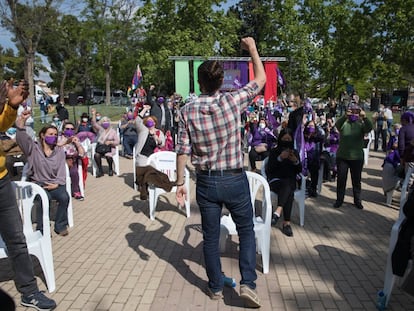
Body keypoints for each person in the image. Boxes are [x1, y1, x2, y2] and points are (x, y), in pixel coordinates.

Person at [175, 37, 266, 308]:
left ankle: (215, 287)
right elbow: (260, 79)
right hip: (234, 178)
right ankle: (248, 283)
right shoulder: (232, 101)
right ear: (221, 81)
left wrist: (180, 182)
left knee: (210, 237)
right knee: (246, 230)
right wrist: (251, 49)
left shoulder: (186, 110)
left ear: (200, 83)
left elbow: (182, 149)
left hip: (206, 181)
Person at [0, 79, 56, 310]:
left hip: (2, 181)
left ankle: (29, 292)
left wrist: (11, 107)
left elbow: (2, 125)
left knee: (17, 238)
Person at [16, 118, 70, 237]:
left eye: (55, 135)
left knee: (64, 197)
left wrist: (57, 183)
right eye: (50, 134)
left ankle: (60, 225)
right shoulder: (33, 149)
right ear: (42, 135)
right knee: (43, 199)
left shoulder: (59, 150)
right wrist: (21, 125)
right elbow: (22, 140)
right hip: (38, 183)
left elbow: (62, 169)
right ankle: (42, 228)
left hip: (55, 183)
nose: (54, 137)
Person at [333, 103, 373, 209]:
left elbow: (369, 128)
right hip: (342, 156)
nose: (354, 114)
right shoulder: (344, 123)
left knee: (356, 180)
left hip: (357, 157)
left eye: (356, 111)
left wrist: (365, 117)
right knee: (341, 180)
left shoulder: (360, 124)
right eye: (352, 111)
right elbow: (337, 125)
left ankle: (357, 200)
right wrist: (345, 116)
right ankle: (339, 200)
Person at [266, 128, 302, 237]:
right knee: (288, 188)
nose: (286, 141)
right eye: (284, 139)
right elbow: (270, 169)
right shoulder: (274, 151)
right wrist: (280, 158)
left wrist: (295, 161)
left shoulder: (294, 152)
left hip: (290, 181)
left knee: (288, 186)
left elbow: (299, 170)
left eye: (289, 139)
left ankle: (278, 211)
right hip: (276, 181)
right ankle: (286, 223)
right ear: (280, 138)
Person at [133, 105, 166, 199]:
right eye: (148, 121)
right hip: (142, 155)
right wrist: (145, 109)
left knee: (152, 169)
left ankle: (144, 186)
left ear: (155, 123)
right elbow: (137, 121)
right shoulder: (142, 130)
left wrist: (156, 137)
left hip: (154, 156)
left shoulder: (159, 132)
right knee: (143, 166)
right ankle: (144, 187)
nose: (150, 122)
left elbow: (162, 144)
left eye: (152, 121)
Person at [58, 122, 85, 200]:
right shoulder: (59, 139)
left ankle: (76, 191)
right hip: (60, 161)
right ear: (63, 130)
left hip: (72, 160)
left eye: (72, 129)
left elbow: (82, 154)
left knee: (74, 172)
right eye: (67, 129)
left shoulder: (75, 139)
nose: (70, 130)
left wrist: (77, 144)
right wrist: (65, 142)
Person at [91, 108, 120, 177]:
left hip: (109, 148)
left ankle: (110, 168)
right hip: (100, 148)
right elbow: (94, 123)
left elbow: (117, 141)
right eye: (103, 121)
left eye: (106, 121)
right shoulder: (100, 129)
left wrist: (110, 142)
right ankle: (100, 170)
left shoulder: (113, 131)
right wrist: (93, 114)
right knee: (96, 155)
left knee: (108, 156)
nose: (105, 122)